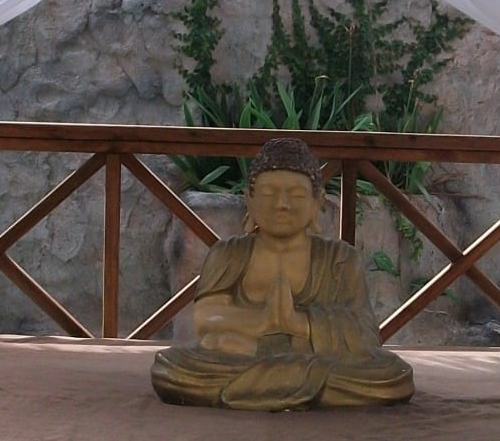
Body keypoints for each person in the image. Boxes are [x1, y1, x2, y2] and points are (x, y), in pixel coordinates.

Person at [151, 138, 414, 411]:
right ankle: (298, 388)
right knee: (171, 368)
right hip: (246, 355)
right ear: (249, 200)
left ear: (317, 202)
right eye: (268, 194)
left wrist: (299, 323)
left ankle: (254, 388)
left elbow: (365, 332)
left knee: (392, 376)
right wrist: (263, 323)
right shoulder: (229, 253)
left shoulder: (339, 258)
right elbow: (206, 318)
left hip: (309, 360)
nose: (282, 204)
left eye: (297, 195)